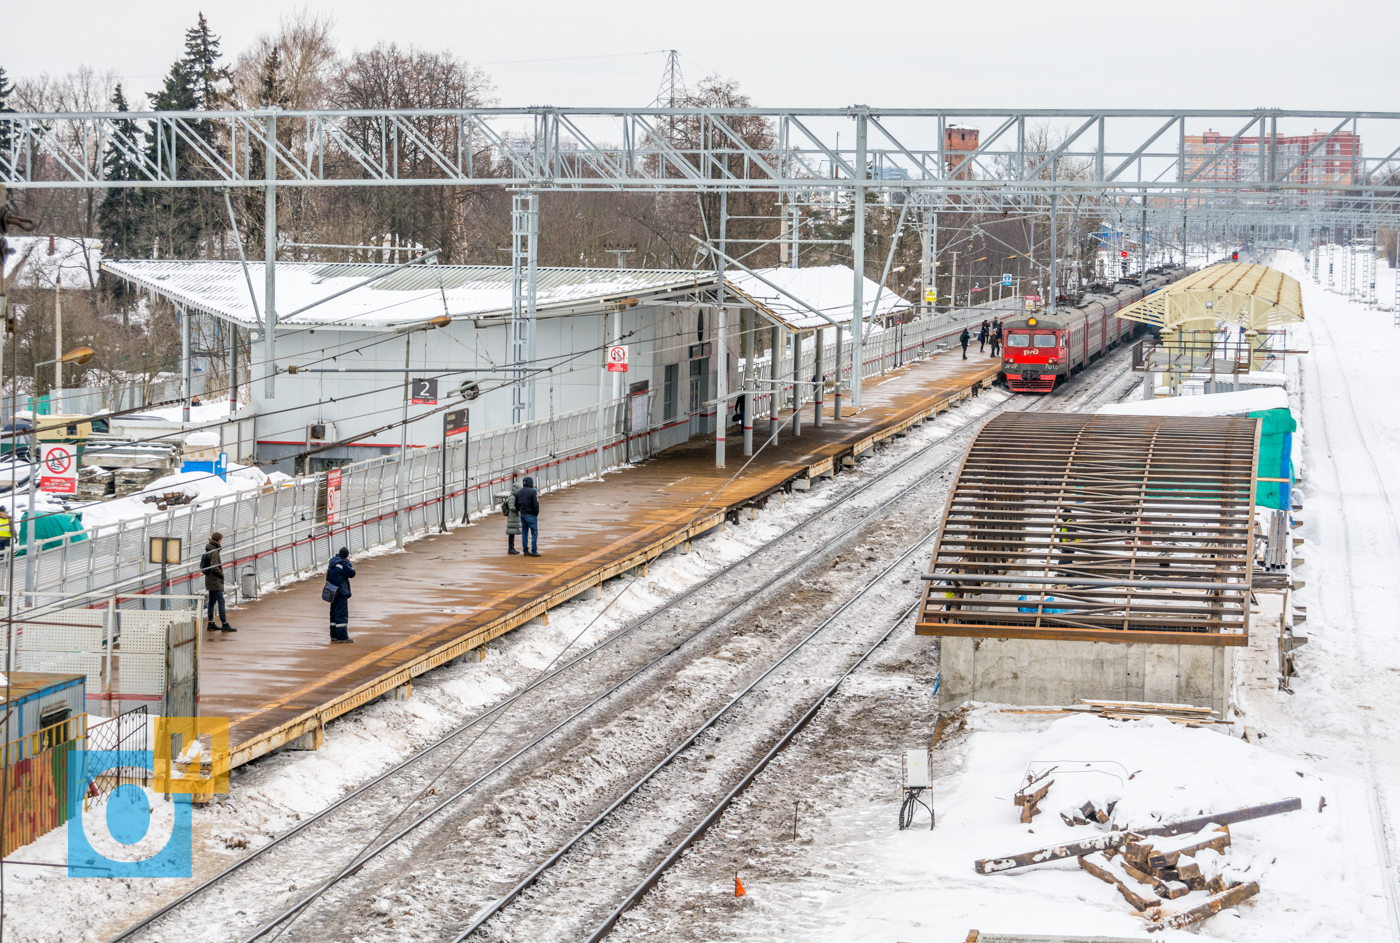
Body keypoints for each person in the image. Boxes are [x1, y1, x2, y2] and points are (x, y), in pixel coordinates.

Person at [200, 531, 235, 631]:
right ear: (219, 540)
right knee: (221, 601)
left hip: (209, 579)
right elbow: (215, 567)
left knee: (212, 601)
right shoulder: (214, 551)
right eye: (221, 540)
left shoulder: (209, 548)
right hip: (215, 579)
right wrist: (221, 574)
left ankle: (210, 623)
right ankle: (224, 623)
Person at [326, 547, 355, 643]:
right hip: (341, 592)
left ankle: (334, 635)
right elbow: (352, 573)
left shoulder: (332, 563)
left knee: (333, 614)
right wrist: (348, 563)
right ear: (346, 556)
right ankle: (342, 637)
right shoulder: (343, 564)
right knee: (341, 614)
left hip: (332, 591)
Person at [516, 476, 540, 557]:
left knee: (524, 533)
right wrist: (536, 513)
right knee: (534, 533)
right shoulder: (532, 492)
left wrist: (521, 510)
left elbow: (516, 505)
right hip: (531, 514)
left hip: (523, 514)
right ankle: (534, 551)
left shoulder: (519, 492)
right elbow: (535, 504)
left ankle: (525, 550)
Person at [500, 480, 522, 555]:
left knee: (512, 533)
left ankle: (512, 548)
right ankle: (510, 548)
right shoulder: (512, 497)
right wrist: (519, 507)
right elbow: (511, 507)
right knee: (511, 533)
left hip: (514, 518)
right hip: (512, 518)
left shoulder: (514, 496)